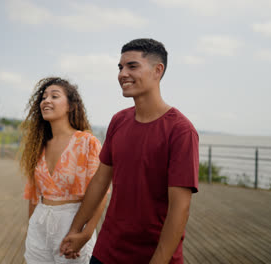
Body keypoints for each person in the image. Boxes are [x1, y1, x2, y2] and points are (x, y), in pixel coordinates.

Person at [60, 38, 199, 264]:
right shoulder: (118, 120)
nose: (122, 73)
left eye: (132, 66)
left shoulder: (181, 131)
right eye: (120, 67)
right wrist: (77, 229)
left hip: (153, 256)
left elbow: (179, 209)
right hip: (106, 251)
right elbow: (99, 181)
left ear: (157, 70)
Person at [20, 77, 108, 263]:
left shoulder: (87, 142)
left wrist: (86, 233)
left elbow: (100, 194)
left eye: (54, 96)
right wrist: (32, 226)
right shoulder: (38, 146)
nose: (46, 101)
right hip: (40, 223)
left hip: (73, 223)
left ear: (70, 106)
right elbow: (34, 195)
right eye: (43, 97)